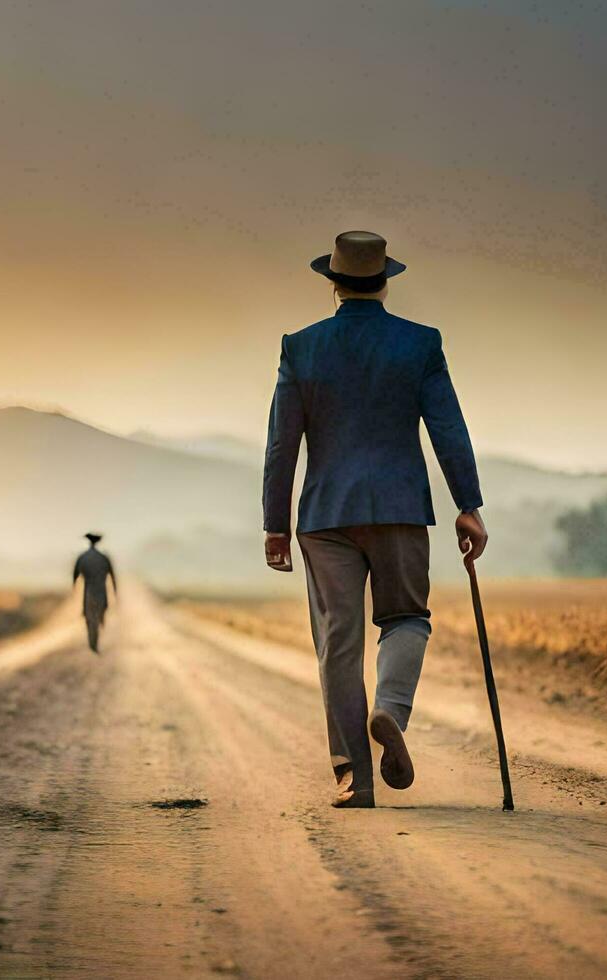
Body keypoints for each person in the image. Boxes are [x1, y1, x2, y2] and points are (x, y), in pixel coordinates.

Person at [263, 230, 488, 809]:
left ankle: (352, 778)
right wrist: (469, 505)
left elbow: (281, 444)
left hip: (325, 515)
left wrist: (275, 523)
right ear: (386, 280)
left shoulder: (301, 347)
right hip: (399, 507)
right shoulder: (420, 344)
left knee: (339, 642)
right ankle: (389, 708)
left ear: (333, 282)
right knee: (407, 617)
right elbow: (449, 429)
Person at [72, 532, 116, 652]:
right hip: (101, 591)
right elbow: (112, 576)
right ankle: (94, 640)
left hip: (89, 591)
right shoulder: (103, 558)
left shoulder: (83, 557)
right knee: (98, 614)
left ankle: (92, 641)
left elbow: (75, 576)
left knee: (89, 616)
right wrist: (115, 591)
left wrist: (74, 589)